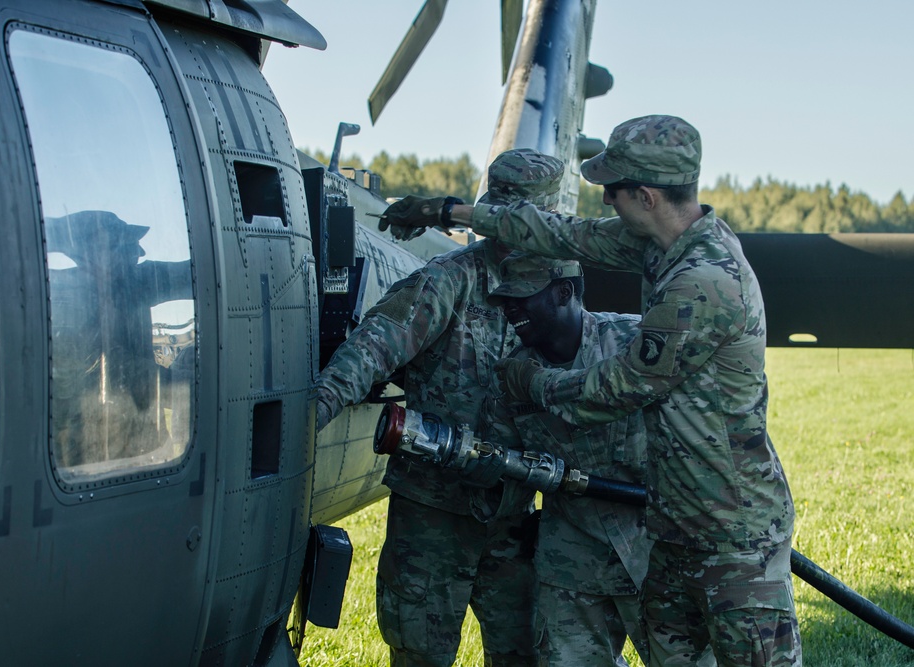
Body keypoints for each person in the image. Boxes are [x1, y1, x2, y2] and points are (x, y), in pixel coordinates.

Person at [378, 115, 802, 666]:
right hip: (674, 521)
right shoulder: (663, 245)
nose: (605, 202)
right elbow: (561, 233)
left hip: (732, 531)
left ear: (645, 196)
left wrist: (535, 383)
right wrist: (448, 212)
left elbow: (621, 385)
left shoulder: (704, 281)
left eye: (611, 191)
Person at [315, 149, 565, 666]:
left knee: (530, 651)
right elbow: (374, 347)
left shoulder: (563, 294)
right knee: (420, 652)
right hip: (434, 514)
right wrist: (312, 412)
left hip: (516, 514)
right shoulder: (449, 280)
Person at [483, 252, 651, 666]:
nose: (510, 308)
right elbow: (507, 472)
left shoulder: (633, 343)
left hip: (656, 544)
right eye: (505, 300)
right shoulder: (511, 378)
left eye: (521, 296)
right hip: (572, 557)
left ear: (564, 291)